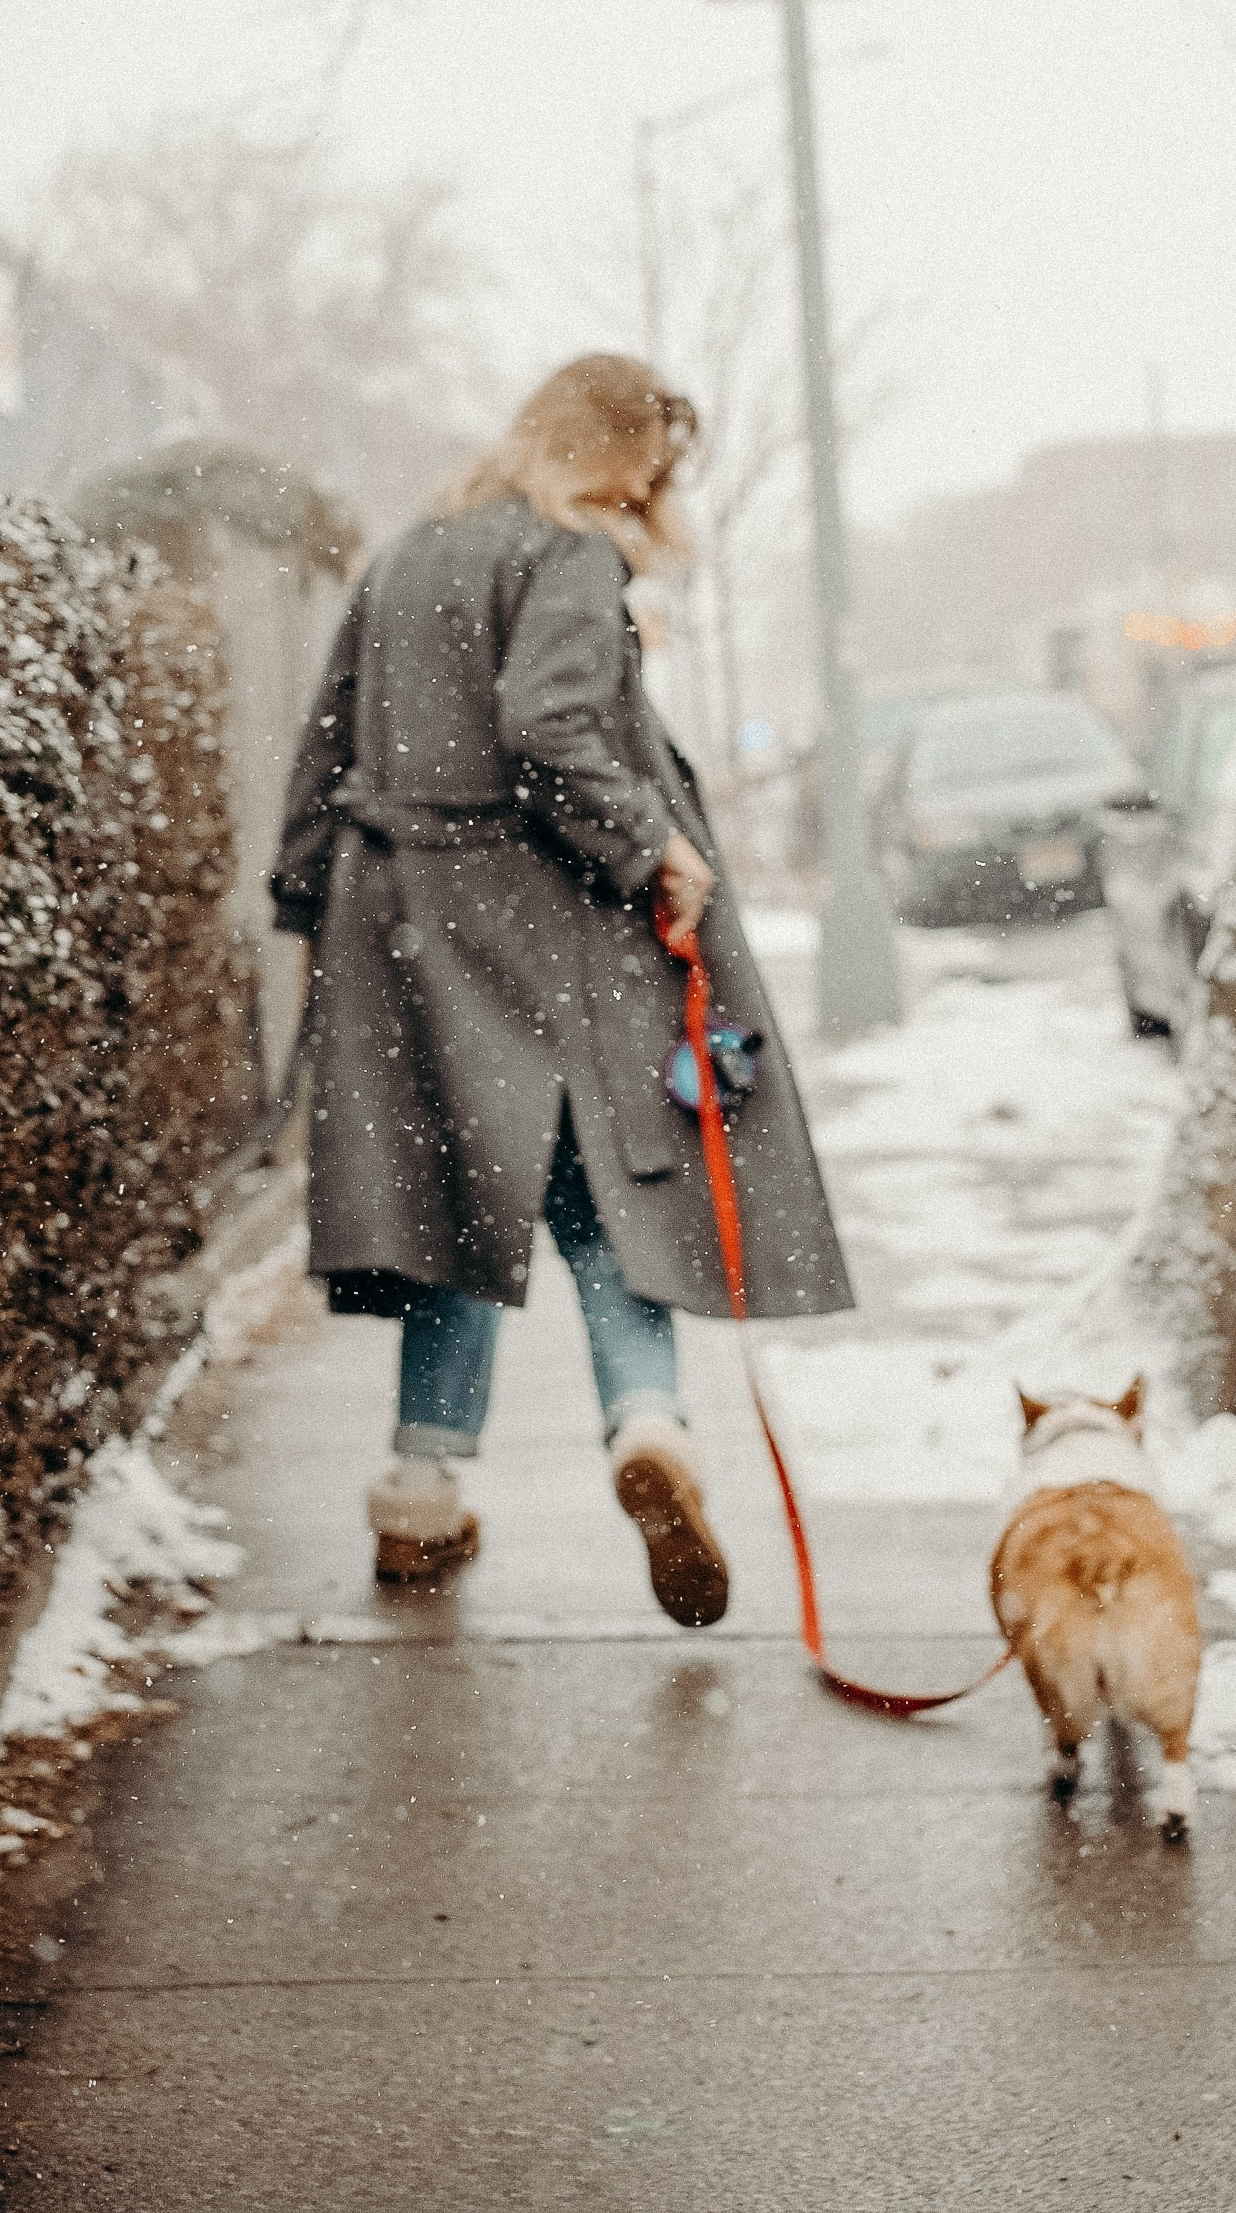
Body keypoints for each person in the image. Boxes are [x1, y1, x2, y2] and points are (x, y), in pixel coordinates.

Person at [270, 353, 853, 1626]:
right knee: (606, 1189)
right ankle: (647, 1425)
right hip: (545, 926)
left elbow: (325, 743)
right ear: (612, 457)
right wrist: (656, 848)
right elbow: (550, 730)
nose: (657, 489)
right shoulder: (568, 556)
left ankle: (421, 1493)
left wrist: (306, 901)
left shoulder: (409, 555)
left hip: (405, 925)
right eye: (653, 463)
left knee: (452, 1208)